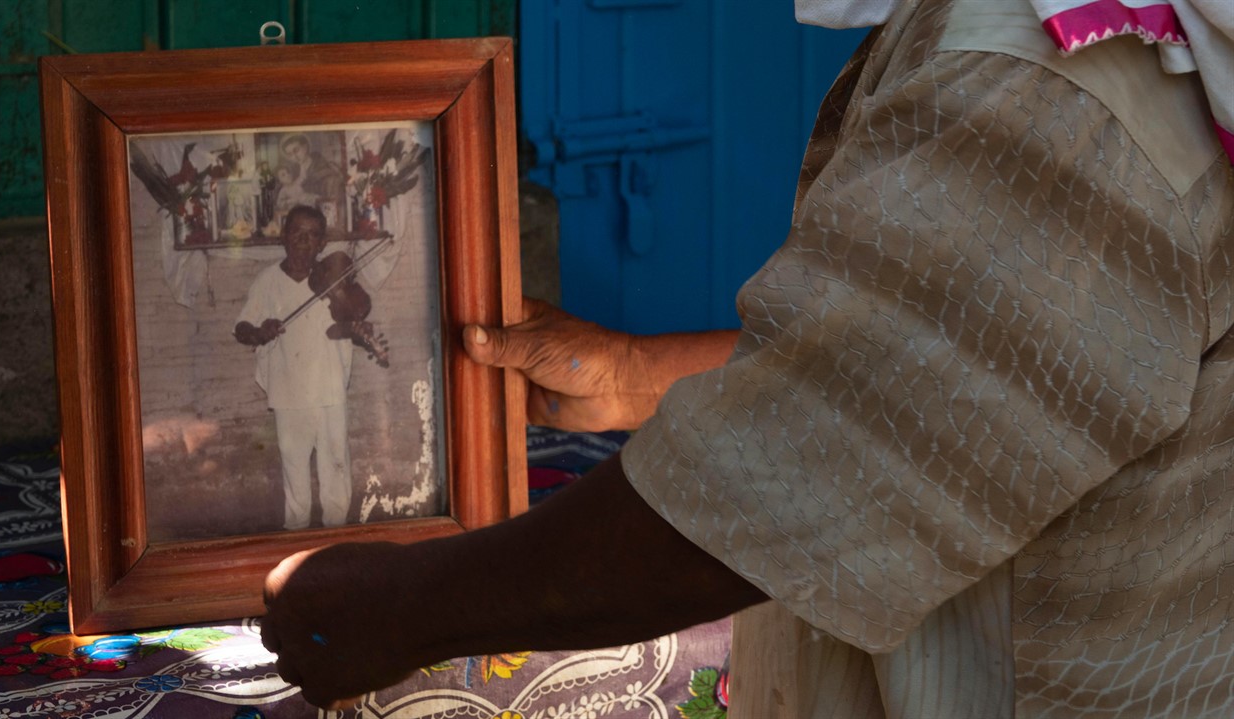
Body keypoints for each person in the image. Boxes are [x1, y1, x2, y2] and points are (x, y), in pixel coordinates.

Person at [261, 0, 1234, 715]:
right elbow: (937, 366)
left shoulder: (1060, 77)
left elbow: (806, 487)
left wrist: (400, 608)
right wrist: (632, 375)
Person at [235, 205, 359, 531]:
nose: (303, 243)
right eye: (297, 234)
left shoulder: (333, 279)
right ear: (284, 237)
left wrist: (358, 325)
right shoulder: (267, 281)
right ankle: (296, 541)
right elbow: (241, 329)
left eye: (312, 236)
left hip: (330, 390)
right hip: (289, 394)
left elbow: (353, 321)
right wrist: (261, 331)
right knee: (295, 476)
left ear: (322, 244)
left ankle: (337, 537)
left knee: (336, 470)